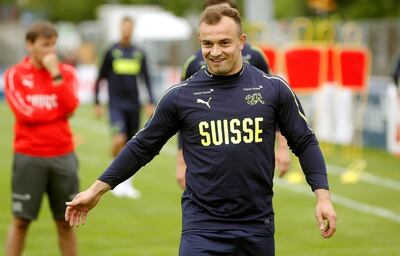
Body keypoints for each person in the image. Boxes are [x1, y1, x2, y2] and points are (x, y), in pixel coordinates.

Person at [66, 6, 337, 256]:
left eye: (224, 43)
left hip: (257, 226)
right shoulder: (180, 96)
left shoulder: (273, 89)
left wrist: (322, 196)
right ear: (200, 43)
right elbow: (142, 146)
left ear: (242, 42)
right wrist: (96, 190)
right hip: (202, 229)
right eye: (207, 43)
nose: (215, 51)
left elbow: (304, 141)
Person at [176, 0, 291, 189]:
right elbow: (180, 115)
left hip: (251, 161)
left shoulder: (256, 56)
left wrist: (282, 147)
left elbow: (276, 103)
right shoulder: (193, 63)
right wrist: (181, 163)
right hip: (207, 159)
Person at [4, 20, 79, 256]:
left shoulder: (66, 73)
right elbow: (23, 113)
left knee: (66, 222)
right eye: (45, 45)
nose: (51, 51)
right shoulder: (14, 75)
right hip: (29, 156)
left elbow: (70, 108)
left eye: (54, 45)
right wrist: (55, 112)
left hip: (63, 155)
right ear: (30, 45)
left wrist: (55, 74)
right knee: (21, 221)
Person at [94, 16, 155, 199]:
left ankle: (127, 185)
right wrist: (97, 102)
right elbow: (100, 77)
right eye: (124, 28)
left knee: (131, 145)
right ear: (120, 29)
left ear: (132, 29)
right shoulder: (112, 51)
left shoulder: (139, 52)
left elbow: (146, 78)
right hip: (116, 104)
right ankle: (113, 177)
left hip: (134, 104)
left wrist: (150, 101)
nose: (127, 31)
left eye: (130, 28)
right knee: (118, 140)